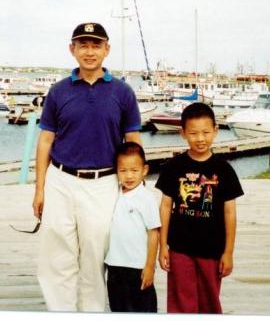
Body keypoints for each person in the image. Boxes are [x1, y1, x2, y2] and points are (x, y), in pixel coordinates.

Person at [33, 22, 143, 312]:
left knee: (95, 256)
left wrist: (137, 187)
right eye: (83, 45)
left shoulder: (123, 92)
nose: (90, 51)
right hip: (60, 180)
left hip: (104, 183)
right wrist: (39, 189)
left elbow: (133, 140)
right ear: (72, 49)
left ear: (107, 50)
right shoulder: (58, 91)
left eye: (96, 45)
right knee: (57, 256)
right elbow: (45, 141)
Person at [155, 102, 244, 313]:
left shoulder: (224, 170)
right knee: (181, 301)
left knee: (209, 302)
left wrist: (228, 252)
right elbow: (165, 207)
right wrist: (162, 246)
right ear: (183, 133)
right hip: (179, 248)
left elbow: (230, 213)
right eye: (193, 133)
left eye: (206, 132)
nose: (200, 138)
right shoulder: (173, 167)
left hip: (212, 249)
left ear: (216, 130)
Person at [104, 141, 160, 313]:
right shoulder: (113, 193)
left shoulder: (147, 198)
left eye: (134, 170)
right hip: (114, 265)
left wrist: (150, 266)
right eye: (123, 170)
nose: (129, 176)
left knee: (143, 310)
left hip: (138, 267)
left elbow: (153, 233)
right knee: (118, 309)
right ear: (116, 171)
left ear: (144, 170)